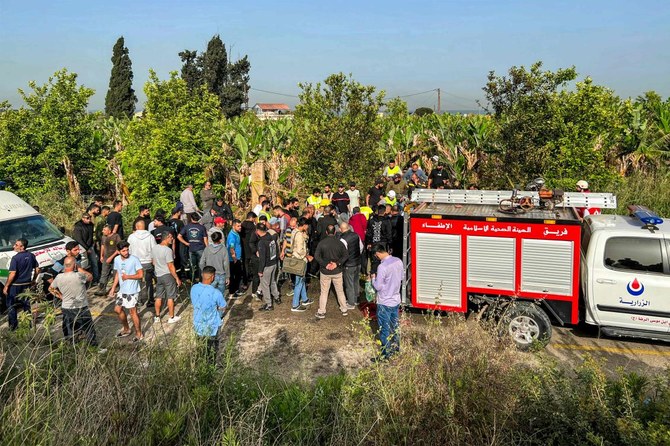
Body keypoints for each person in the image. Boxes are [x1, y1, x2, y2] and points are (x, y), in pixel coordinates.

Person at [49, 257, 102, 349]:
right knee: (88, 328)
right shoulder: (79, 275)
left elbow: (51, 289)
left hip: (66, 307)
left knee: (69, 329)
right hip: (81, 306)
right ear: (74, 265)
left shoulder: (59, 277)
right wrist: (80, 269)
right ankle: (93, 347)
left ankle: (71, 347)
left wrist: (61, 296)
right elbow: (90, 277)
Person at [371, 243, 403, 361]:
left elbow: (378, 287)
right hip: (396, 299)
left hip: (384, 301)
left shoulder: (382, 267)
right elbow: (401, 277)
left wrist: (373, 279)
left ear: (378, 253)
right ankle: (396, 349)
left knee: (384, 329)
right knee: (394, 326)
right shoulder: (398, 261)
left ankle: (385, 355)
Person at [108, 241, 144, 342]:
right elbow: (117, 274)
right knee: (117, 310)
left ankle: (139, 333)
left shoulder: (134, 260)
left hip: (132, 290)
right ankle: (127, 329)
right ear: (118, 251)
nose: (126, 252)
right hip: (122, 290)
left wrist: (128, 276)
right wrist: (113, 288)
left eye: (127, 250)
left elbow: (141, 275)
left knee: (133, 312)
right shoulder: (116, 259)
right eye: (123, 251)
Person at [191, 265, 227, 363]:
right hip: (212, 326)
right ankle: (212, 365)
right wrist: (217, 309)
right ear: (213, 277)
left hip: (198, 324)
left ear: (202, 275)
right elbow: (223, 306)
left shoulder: (193, 288)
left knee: (201, 348)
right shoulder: (216, 293)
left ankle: (201, 364)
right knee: (213, 350)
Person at [314, 225, 349, 319]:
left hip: (325, 272)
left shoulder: (321, 243)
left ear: (326, 232)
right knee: (340, 291)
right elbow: (346, 255)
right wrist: (337, 264)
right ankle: (344, 309)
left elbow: (317, 256)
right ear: (335, 232)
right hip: (337, 271)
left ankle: (321, 311)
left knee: (324, 292)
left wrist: (325, 264)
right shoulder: (339, 243)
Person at [3, 238, 39, 330]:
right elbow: (37, 269)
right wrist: (34, 280)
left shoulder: (15, 258)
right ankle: (29, 324)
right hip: (26, 284)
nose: (14, 246)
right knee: (26, 304)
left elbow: (12, 273)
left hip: (15, 286)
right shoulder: (31, 256)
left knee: (11, 305)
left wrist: (6, 286)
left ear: (22, 246)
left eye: (16, 245)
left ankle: (13, 327)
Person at [152, 231, 182, 324]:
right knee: (170, 297)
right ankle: (171, 317)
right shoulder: (168, 250)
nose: (172, 239)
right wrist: (177, 278)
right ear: (166, 238)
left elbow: (152, 261)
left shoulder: (154, 248)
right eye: (171, 237)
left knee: (158, 296)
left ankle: (157, 316)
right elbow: (170, 266)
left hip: (159, 275)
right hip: (168, 275)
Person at [127, 220, 156, 308]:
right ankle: (150, 300)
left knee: (136, 282)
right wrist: (153, 259)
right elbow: (154, 249)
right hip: (147, 261)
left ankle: (138, 300)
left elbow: (129, 250)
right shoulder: (150, 236)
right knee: (149, 282)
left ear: (136, 227)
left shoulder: (131, 237)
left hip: (135, 262)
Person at [289, 218, 314, 312]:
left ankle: (305, 299)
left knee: (301, 280)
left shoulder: (294, 232)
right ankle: (295, 304)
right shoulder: (299, 235)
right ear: (304, 225)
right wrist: (307, 256)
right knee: (299, 282)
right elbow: (300, 250)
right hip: (300, 260)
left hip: (294, 259)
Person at [199, 231, 230, 301]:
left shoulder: (207, 249)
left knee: (210, 296)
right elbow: (226, 264)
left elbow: (201, 263)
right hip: (221, 275)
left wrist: (205, 272)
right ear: (220, 239)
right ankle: (219, 310)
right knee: (220, 296)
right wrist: (228, 276)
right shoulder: (224, 249)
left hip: (210, 275)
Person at [178, 212, 208, 282]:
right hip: (200, 248)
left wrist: (186, 243)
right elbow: (205, 240)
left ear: (191, 218)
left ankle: (193, 281)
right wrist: (207, 249)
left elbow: (179, 236)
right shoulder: (202, 227)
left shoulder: (187, 226)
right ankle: (201, 280)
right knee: (201, 265)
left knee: (192, 267)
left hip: (191, 249)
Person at [256, 223, 279, 311]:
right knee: (272, 281)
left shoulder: (261, 242)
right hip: (274, 263)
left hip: (267, 266)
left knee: (265, 285)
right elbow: (276, 249)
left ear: (258, 231)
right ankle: (277, 297)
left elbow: (262, 259)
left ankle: (268, 304)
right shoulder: (271, 237)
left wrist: (260, 270)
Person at [339, 222, 362, 309]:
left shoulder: (342, 239)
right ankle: (356, 300)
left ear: (341, 229)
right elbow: (361, 247)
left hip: (349, 264)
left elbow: (343, 253)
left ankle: (351, 303)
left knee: (349, 284)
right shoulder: (356, 235)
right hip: (357, 262)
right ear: (348, 227)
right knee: (356, 282)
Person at [72, 211, 99, 285]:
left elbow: (91, 236)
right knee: (81, 266)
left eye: (89, 218)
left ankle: (96, 279)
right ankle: (82, 282)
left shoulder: (90, 225)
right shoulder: (78, 226)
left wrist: (90, 247)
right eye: (87, 218)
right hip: (81, 248)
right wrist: (86, 248)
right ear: (83, 219)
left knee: (94, 263)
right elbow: (78, 239)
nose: (89, 220)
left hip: (90, 246)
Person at [365, 205, 393, 274]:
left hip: (374, 243)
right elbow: (389, 234)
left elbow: (368, 233)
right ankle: (381, 276)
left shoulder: (371, 220)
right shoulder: (387, 221)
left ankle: (374, 276)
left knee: (374, 261)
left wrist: (369, 242)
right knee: (384, 261)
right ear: (384, 211)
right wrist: (390, 244)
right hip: (383, 244)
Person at [96, 225, 121, 295]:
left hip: (115, 258)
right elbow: (102, 246)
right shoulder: (103, 237)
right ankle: (102, 289)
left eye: (104, 230)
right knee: (104, 274)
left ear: (109, 231)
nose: (102, 231)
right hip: (106, 258)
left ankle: (117, 287)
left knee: (116, 274)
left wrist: (111, 257)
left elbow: (119, 248)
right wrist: (101, 256)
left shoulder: (116, 236)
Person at [227, 219, 244, 298]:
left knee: (238, 275)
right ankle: (232, 292)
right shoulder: (232, 236)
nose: (240, 227)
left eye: (240, 226)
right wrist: (234, 258)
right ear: (233, 226)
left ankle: (236, 289)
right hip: (233, 259)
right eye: (238, 226)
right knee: (233, 276)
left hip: (237, 258)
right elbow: (231, 248)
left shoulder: (236, 233)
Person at [240, 212, 257, 292]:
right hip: (252, 248)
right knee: (254, 265)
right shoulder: (253, 226)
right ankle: (254, 280)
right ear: (252, 218)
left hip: (244, 248)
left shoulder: (242, 225)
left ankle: (245, 283)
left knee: (245, 265)